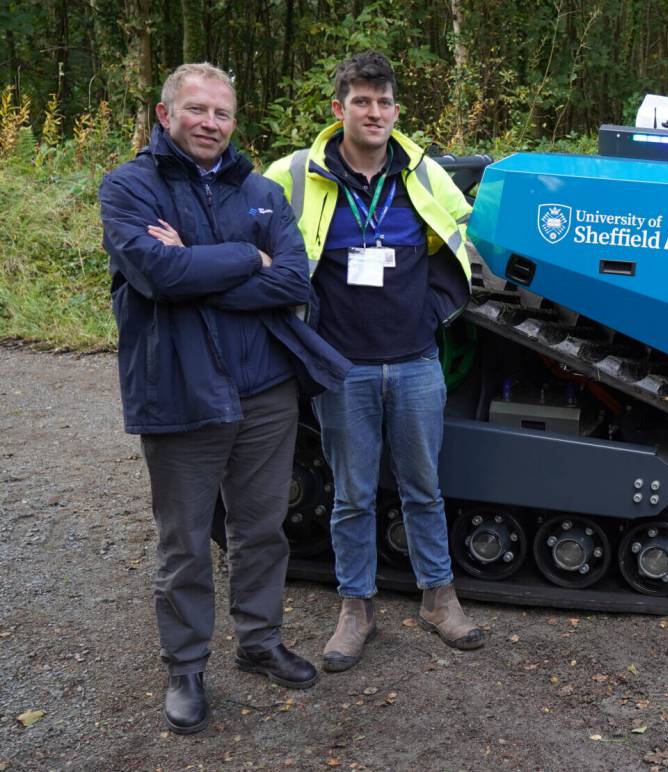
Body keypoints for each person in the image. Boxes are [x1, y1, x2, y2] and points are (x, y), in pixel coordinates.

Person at [99, 62, 351, 734]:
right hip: (180, 391)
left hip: (265, 391)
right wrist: (247, 257)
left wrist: (207, 263)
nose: (210, 123)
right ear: (165, 115)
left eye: (222, 113)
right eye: (197, 110)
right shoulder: (129, 188)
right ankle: (185, 666)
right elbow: (158, 272)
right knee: (183, 542)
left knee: (261, 529)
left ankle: (259, 640)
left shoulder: (262, 191)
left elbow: (294, 280)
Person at [264, 51, 482, 672]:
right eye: (362, 101)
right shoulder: (296, 173)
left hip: (415, 362)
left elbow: (462, 234)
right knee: (353, 495)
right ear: (340, 110)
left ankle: (439, 599)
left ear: (395, 110)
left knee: (424, 489)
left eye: (385, 102)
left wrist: (436, 308)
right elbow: (249, 218)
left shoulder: (421, 173)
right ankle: (355, 608)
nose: (375, 112)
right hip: (341, 366)